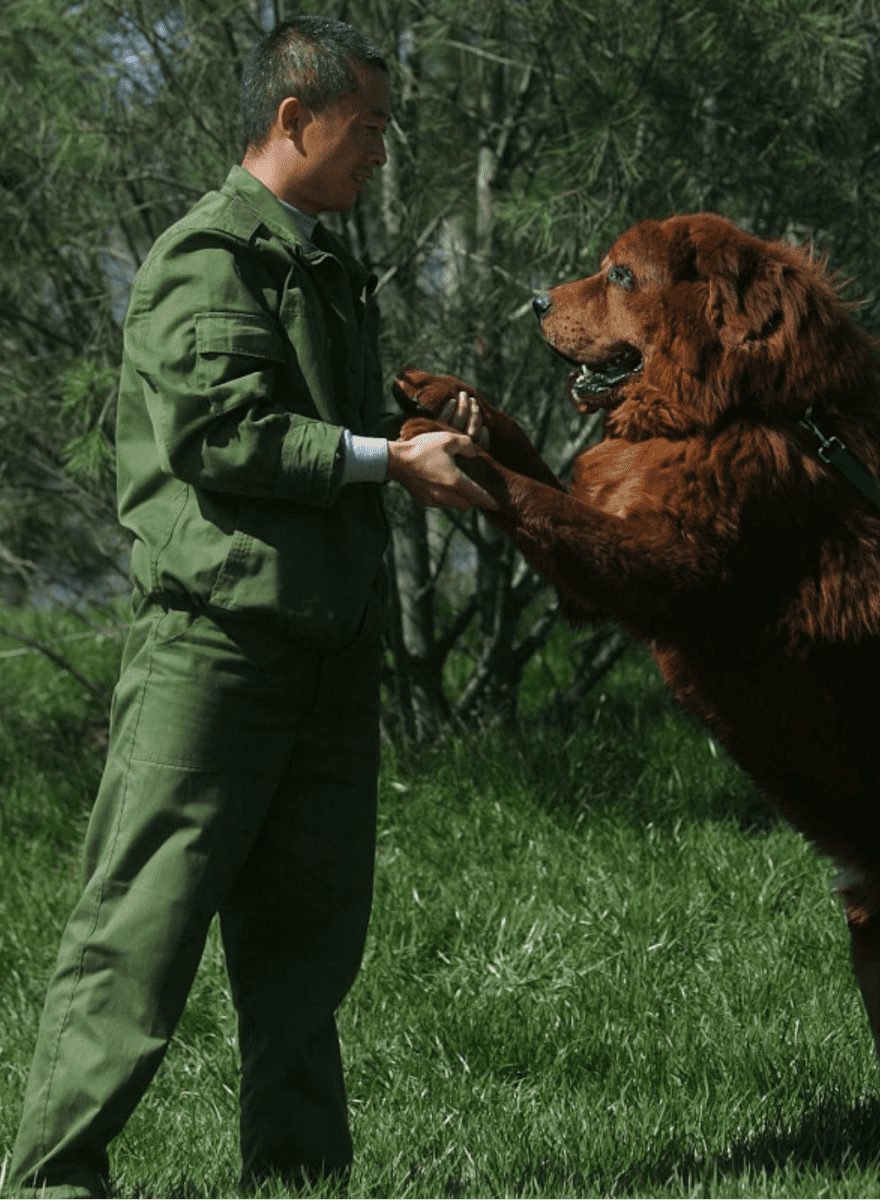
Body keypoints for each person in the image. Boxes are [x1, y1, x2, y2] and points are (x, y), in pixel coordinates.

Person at [7, 15, 494, 1198]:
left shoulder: (318, 262)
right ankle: (52, 1182)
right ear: (295, 119)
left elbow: (301, 407)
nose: (383, 152)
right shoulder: (209, 257)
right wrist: (391, 460)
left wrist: (408, 417)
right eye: (369, 128)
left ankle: (298, 1177)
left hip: (324, 657)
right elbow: (224, 432)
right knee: (140, 937)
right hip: (213, 660)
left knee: (307, 957)